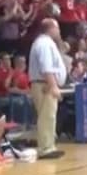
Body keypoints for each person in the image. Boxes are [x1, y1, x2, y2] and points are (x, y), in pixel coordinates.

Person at [28, 18, 66, 160]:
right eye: (57, 28)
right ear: (50, 29)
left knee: (49, 116)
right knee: (46, 116)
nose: (59, 31)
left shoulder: (46, 43)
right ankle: (45, 148)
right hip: (44, 84)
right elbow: (46, 68)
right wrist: (53, 86)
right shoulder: (44, 44)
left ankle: (49, 145)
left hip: (45, 83)